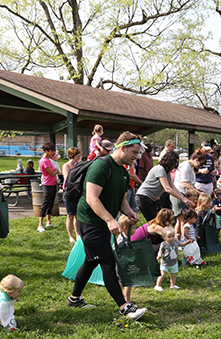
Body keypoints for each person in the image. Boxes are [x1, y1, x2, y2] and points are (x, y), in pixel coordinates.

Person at [66, 131, 146, 320]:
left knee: (91, 260)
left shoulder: (123, 171)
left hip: (103, 221)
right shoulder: (101, 166)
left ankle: (74, 298)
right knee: (108, 261)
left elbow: (120, 199)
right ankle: (124, 307)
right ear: (123, 147)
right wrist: (110, 220)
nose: (137, 156)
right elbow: (92, 198)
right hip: (90, 221)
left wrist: (129, 212)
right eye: (134, 152)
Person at [136, 151, 193, 222]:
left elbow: (173, 188)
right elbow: (167, 188)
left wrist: (184, 198)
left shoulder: (167, 172)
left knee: (156, 222)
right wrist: (182, 198)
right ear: (170, 161)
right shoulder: (160, 169)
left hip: (151, 198)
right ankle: (142, 233)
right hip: (143, 196)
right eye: (175, 162)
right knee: (154, 222)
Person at [62, 147, 82, 243]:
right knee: (70, 215)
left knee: (77, 216)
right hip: (69, 193)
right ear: (72, 156)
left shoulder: (78, 165)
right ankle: (71, 236)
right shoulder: (66, 166)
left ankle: (78, 234)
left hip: (77, 193)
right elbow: (68, 179)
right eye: (77, 156)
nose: (79, 158)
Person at [37, 142, 58, 232]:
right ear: (46, 151)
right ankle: (40, 225)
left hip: (53, 184)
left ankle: (48, 222)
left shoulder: (48, 160)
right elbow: (52, 173)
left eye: (53, 151)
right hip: (47, 185)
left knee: (51, 203)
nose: (52, 153)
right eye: (51, 151)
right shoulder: (44, 161)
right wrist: (56, 171)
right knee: (45, 204)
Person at [154, 227, 182, 291]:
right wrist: (159, 255)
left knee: (174, 274)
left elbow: (181, 244)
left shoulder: (175, 241)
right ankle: (157, 285)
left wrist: (187, 242)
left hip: (173, 262)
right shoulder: (163, 244)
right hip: (165, 263)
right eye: (169, 237)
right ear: (164, 237)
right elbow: (160, 251)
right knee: (163, 274)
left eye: (173, 236)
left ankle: (173, 285)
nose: (171, 238)